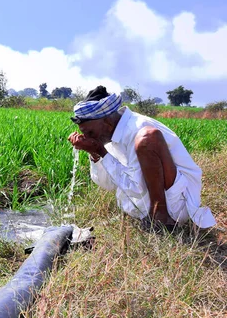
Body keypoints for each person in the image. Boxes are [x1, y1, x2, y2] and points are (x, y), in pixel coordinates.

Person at [68, 85, 215, 230]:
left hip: (177, 203)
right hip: (142, 203)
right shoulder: (109, 133)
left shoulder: (137, 128)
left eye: (90, 132)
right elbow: (108, 185)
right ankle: (149, 213)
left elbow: (137, 189)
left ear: (106, 122)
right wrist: (95, 153)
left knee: (147, 138)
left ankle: (161, 216)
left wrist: (101, 151)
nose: (87, 137)